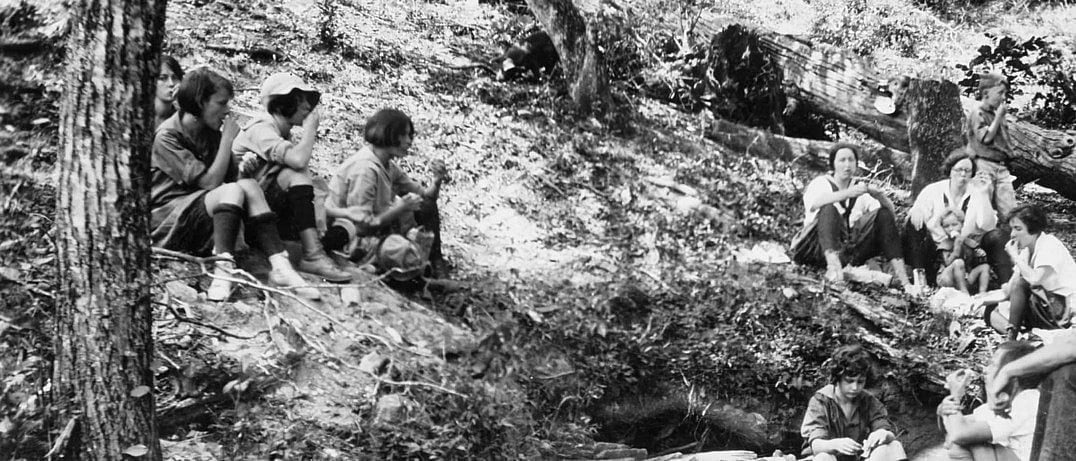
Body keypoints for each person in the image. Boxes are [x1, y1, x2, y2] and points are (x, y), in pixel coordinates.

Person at [151, 68, 319, 301]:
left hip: (203, 212)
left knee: (248, 185)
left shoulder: (209, 132)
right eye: (221, 103)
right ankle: (223, 271)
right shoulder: (167, 136)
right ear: (200, 102)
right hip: (170, 220)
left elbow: (231, 182)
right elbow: (210, 184)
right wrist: (228, 140)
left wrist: (243, 171)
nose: (227, 110)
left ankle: (281, 265)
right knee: (232, 190)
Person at [231, 72, 352, 283]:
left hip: (262, 212)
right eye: (299, 100)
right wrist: (310, 131)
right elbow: (297, 161)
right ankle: (313, 255)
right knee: (296, 173)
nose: (307, 107)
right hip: (243, 217)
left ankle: (310, 249)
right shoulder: (261, 127)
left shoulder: (280, 131)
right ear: (281, 103)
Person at [320, 108, 449, 279]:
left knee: (424, 207)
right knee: (403, 253)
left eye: (410, 136)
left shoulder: (387, 165)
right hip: (351, 238)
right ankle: (385, 267)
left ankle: (435, 262)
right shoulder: (365, 169)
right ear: (389, 134)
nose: (409, 142)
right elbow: (362, 225)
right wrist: (400, 208)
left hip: (376, 229)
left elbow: (427, 198)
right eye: (406, 136)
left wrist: (437, 179)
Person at [790, 143, 913, 289]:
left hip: (848, 251)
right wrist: (846, 194)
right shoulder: (821, 183)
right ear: (833, 164)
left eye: (851, 160)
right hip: (815, 248)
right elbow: (815, 204)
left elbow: (888, 218)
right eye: (842, 160)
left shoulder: (859, 188)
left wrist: (880, 196)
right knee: (829, 209)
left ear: (856, 164)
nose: (847, 165)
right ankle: (834, 271)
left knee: (883, 214)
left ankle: (904, 280)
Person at [903, 150, 1012, 287]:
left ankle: (1006, 286)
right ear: (950, 171)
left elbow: (988, 226)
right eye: (959, 169)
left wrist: (984, 193)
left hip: (968, 251)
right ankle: (920, 278)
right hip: (937, 250)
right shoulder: (934, 190)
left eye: (967, 171)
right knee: (913, 222)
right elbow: (918, 212)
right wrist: (917, 211)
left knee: (998, 236)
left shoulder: (976, 192)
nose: (963, 174)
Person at [972, 204, 1076, 340]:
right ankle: (1021, 337)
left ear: (1033, 230)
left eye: (1018, 229)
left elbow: (1033, 279)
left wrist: (1014, 256)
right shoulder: (1026, 252)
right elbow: (1009, 290)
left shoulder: (1050, 245)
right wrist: (981, 300)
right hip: (1043, 308)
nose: (1012, 234)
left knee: (1022, 283)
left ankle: (1011, 337)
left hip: (1063, 310)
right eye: (1012, 229)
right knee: (989, 311)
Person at [800, 345, 907, 461]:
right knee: (824, 457)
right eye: (849, 381)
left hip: (856, 458)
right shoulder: (821, 401)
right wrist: (835, 445)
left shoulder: (867, 400)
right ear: (838, 378)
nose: (855, 387)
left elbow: (885, 428)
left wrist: (882, 434)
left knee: (894, 446)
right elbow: (816, 445)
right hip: (824, 457)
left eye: (860, 382)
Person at [938, 341, 1041, 461]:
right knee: (962, 438)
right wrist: (943, 409)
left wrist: (955, 395)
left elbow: (959, 434)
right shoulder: (1005, 400)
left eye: (993, 365)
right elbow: (956, 426)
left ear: (1013, 373)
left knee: (967, 443)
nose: (986, 370)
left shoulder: (1027, 400)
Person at [988, 331, 1076, 461]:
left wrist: (1006, 372)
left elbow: (1071, 348)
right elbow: (1066, 343)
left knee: (1067, 372)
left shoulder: (1027, 399)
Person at [966, 72, 1016, 221]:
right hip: (984, 165)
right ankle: (980, 240)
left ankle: (1009, 238)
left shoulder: (995, 114)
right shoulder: (977, 112)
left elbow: (1004, 140)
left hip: (1001, 166)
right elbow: (986, 138)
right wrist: (999, 117)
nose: (1003, 97)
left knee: (1009, 208)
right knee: (982, 206)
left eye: (1005, 93)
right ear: (986, 93)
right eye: (1000, 93)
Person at [937, 209, 992, 295]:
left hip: (965, 277)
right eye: (946, 226)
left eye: (954, 224)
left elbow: (976, 251)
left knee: (985, 267)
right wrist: (956, 248)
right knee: (958, 262)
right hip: (948, 278)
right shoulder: (945, 244)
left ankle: (982, 293)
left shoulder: (967, 241)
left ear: (962, 224)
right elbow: (947, 263)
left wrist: (979, 253)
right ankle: (964, 293)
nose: (951, 229)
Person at [154, 55, 183, 128]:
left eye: (175, 78)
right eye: (163, 78)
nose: (171, 83)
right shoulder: (141, 115)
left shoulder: (183, 114)